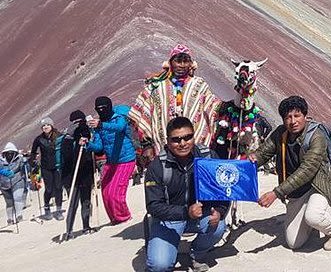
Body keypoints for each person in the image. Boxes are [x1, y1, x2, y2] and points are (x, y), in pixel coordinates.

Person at [251, 96, 331, 251]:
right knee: (294, 243)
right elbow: (264, 153)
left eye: (297, 116)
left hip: (317, 186)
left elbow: (307, 170)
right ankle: (312, 217)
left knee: (314, 216)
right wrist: (251, 160)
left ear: (305, 116)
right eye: (288, 117)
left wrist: (276, 193)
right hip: (296, 192)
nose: (293, 121)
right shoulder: (280, 133)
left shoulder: (316, 136)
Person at [144, 116, 229, 272]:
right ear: (168, 141)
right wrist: (185, 212)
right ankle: (160, 244)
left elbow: (224, 190)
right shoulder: (157, 166)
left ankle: (197, 254)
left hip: (200, 215)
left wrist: (220, 211)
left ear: (193, 136)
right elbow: (153, 206)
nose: (182, 143)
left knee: (218, 226)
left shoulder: (208, 157)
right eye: (176, 140)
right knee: (159, 265)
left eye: (187, 137)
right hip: (168, 221)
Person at [128, 44, 222, 162]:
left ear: (191, 64)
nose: (182, 65)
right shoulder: (157, 86)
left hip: (193, 144)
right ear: (171, 63)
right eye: (178, 61)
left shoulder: (199, 85)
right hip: (164, 145)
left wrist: (229, 108)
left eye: (186, 61)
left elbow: (212, 106)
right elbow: (141, 111)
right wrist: (147, 144)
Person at [86, 97, 136, 225]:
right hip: (111, 161)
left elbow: (119, 128)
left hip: (126, 159)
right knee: (106, 191)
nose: (101, 110)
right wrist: (87, 144)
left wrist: (101, 125)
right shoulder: (98, 125)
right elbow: (99, 147)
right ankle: (114, 218)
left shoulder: (119, 118)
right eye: (98, 109)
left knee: (116, 191)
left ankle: (124, 217)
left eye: (103, 108)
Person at [61, 110, 95, 236]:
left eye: (81, 121)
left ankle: (86, 226)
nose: (79, 124)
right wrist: (75, 143)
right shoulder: (68, 136)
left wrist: (88, 143)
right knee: (73, 202)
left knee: (86, 200)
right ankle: (69, 230)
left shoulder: (88, 132)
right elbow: (67, 156)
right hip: (71, 175)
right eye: (76, 122)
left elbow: (95, 149)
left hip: (85, 172)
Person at [31, 117, 65, 220]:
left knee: (59, 187)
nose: (46, 127)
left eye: (47, 125)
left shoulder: (59, 136)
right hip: (46, 167)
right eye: (43, 126)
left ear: (52, 125)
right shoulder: (39, 139)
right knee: (49, 189)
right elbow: (33, 152)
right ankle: (47, 208)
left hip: (58, 166)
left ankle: (59, 211)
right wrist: (33, 159)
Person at [0, 142, 28, 225]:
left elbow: (25, 166)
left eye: (11, 153)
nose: (9, 155)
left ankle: (19, 216)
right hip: (4, 184)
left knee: (17, 197)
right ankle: (10, 219)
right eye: (8, 153)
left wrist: (28, 161)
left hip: (17, 181)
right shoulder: (1, 161)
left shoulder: (20, 159)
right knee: (9, 202)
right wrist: (3, 172)